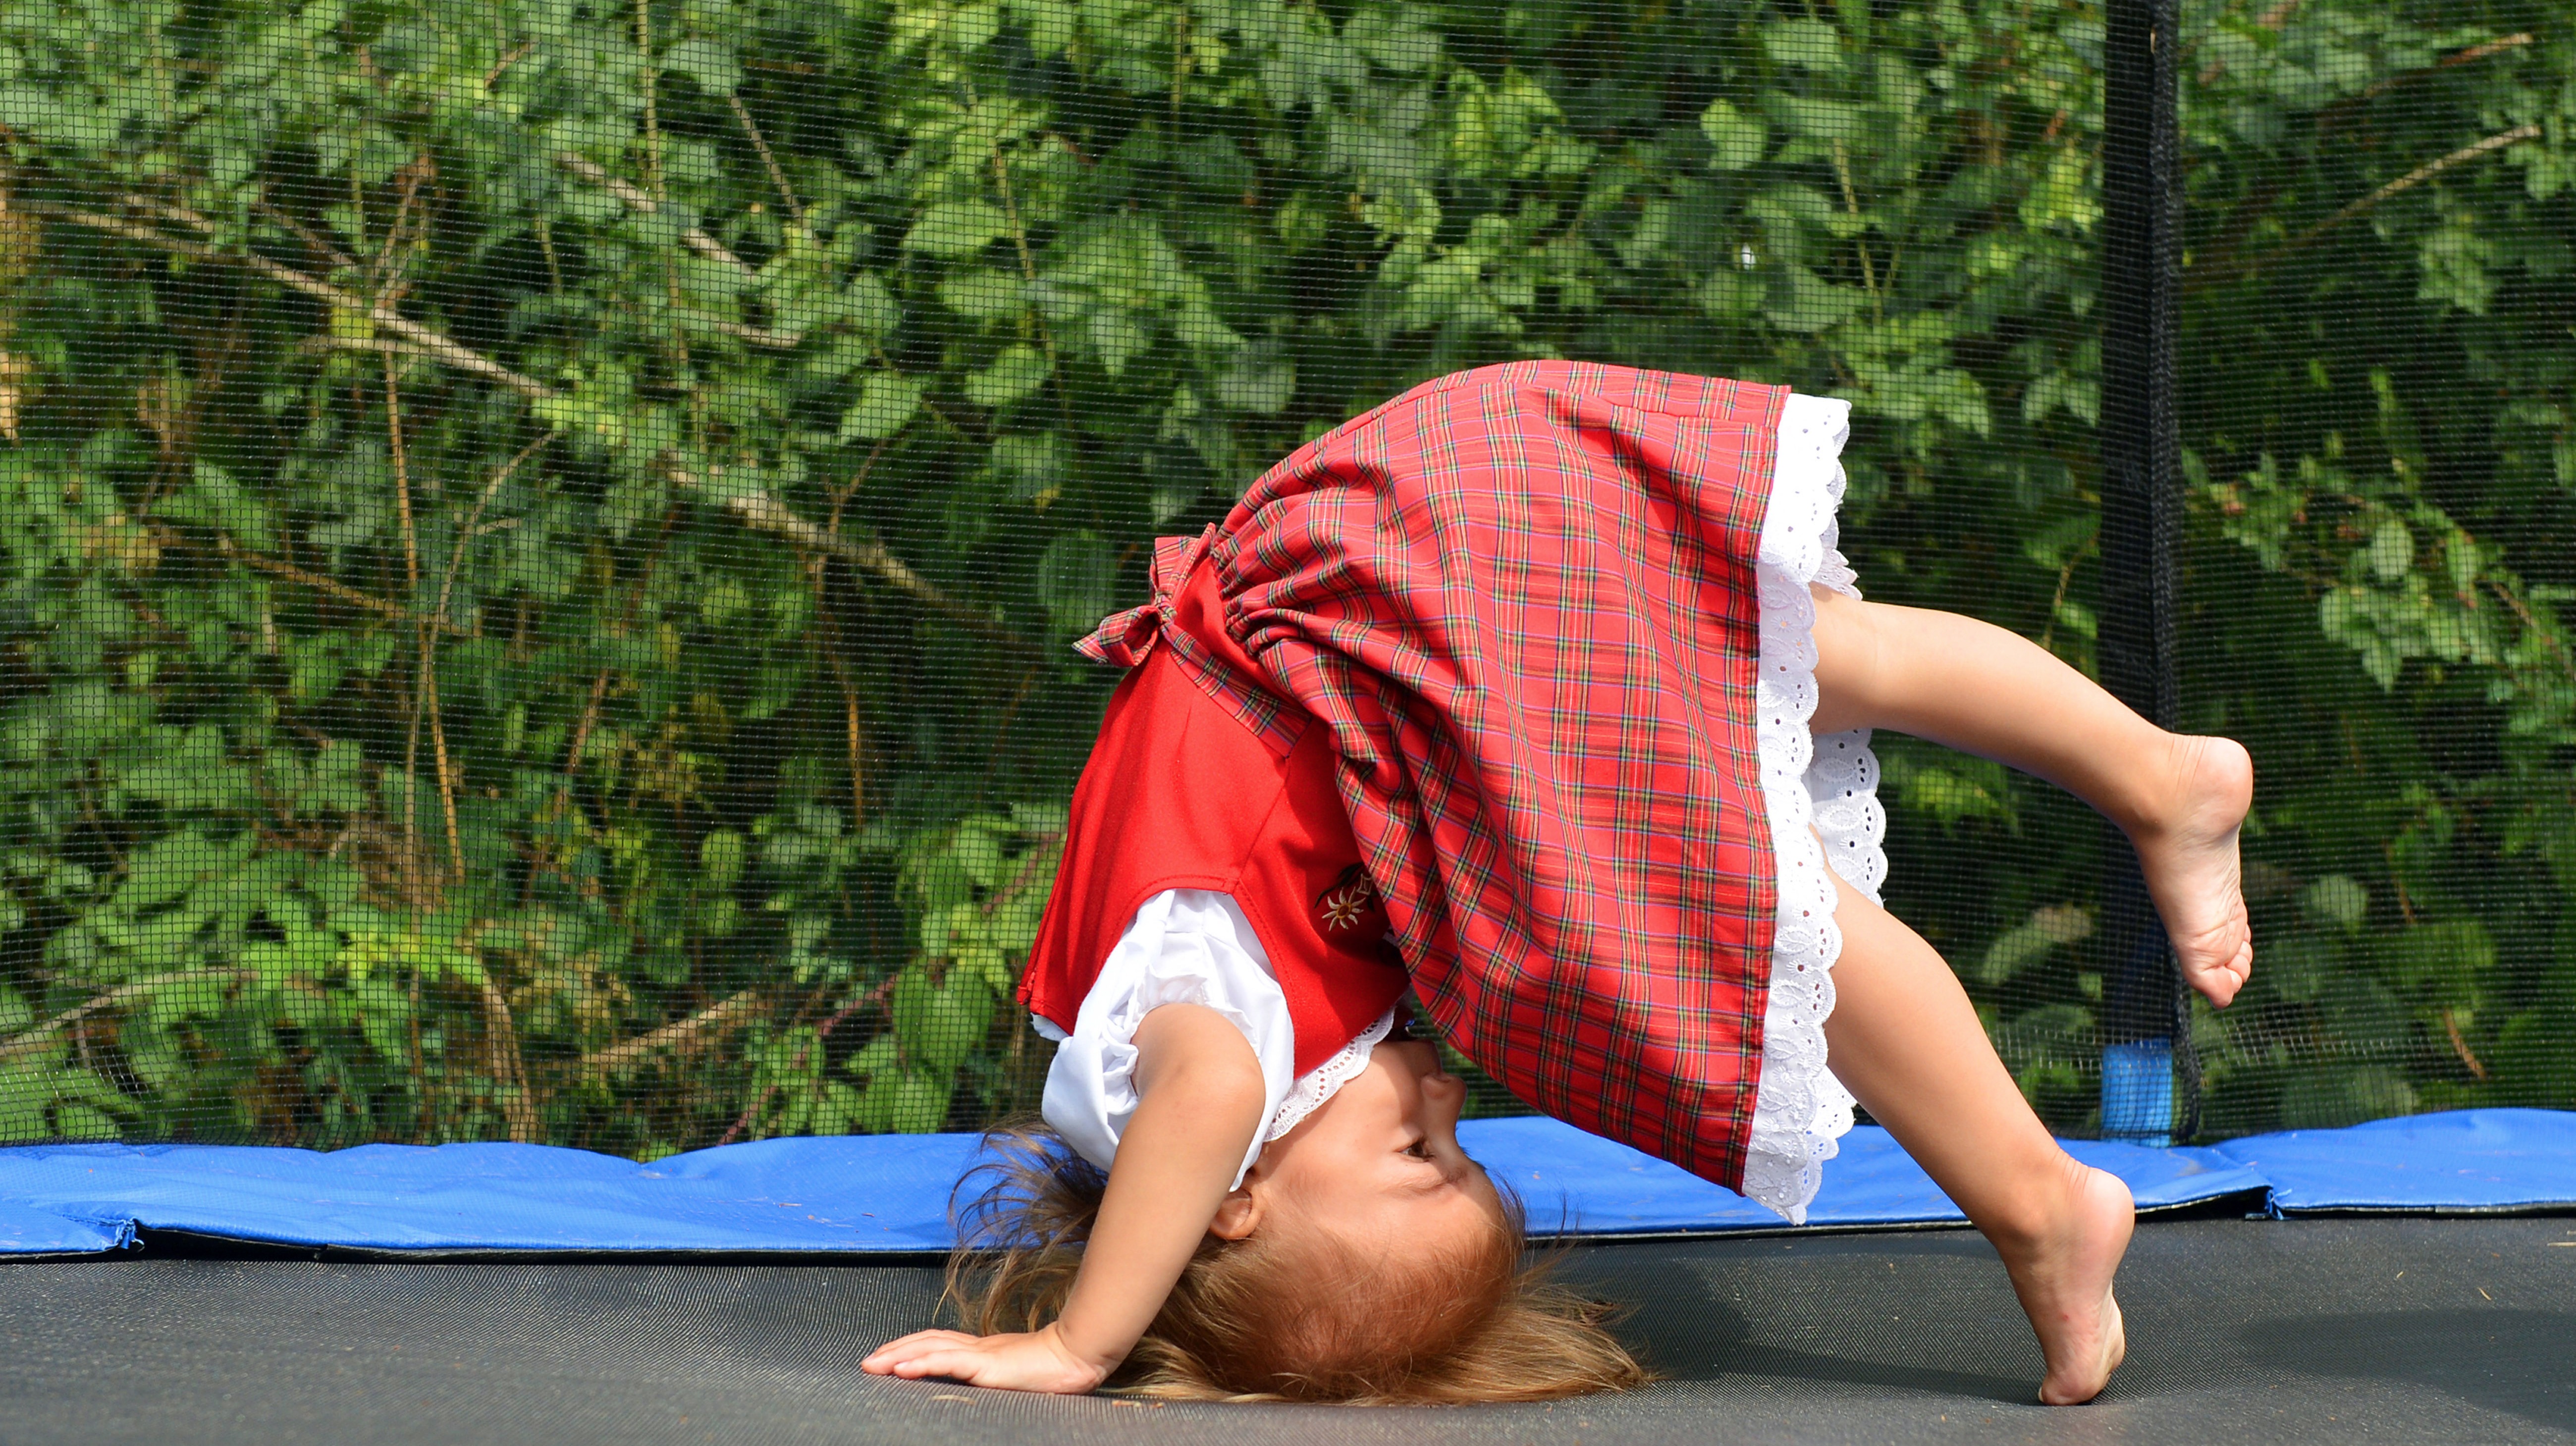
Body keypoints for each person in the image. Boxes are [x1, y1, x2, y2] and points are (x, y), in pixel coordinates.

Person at [862, 362, 2253, 1405]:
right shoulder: (1281, 1027)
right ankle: (2156, 774)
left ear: (1231, 1202)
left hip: (1405, 611)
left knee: (1750, 922)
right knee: (1820, 661)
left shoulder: (1171, 1056)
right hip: (1412, 551)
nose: (1452, 1101)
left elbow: (1209, 1095)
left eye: (1424, 1157)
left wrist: (1082, 1342)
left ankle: (2038, 1204)